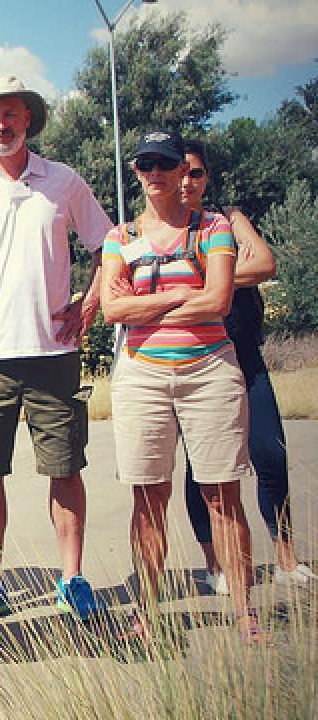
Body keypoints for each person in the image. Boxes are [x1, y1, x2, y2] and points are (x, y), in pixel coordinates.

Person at [0, 74, 114, 624]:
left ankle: (72, 579)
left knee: (64, 468)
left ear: (28, 120)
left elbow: (110, 246)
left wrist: (88, 305)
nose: (1, 125)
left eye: (10, 115)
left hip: (53, 353)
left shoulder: (62, 182)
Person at [100, 130, 260, 643]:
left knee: (222, 496)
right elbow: (111, 310)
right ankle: (145, 614)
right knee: (148, 499)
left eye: (164, 164)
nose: (155, 174)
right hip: (143, 374)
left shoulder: (212, 227)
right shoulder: (118, 238)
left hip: (209, 370)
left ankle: (244, 613)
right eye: (145, 165)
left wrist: (149, 302)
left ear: (181, 170)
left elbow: (218, 302)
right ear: (138, 172)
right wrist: (181, 294)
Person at [179, 140, 313, 592]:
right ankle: (214, 562)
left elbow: (264, 263)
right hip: (195, 360)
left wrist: (210, 279)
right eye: (179, 171)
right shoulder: (167, 229)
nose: (186, 181)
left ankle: (286, 557)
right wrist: (220, 275)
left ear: (206, 177)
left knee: (271, 454)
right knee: (202, 470)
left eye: (195, 172)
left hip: (245, 358)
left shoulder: (228, 220)